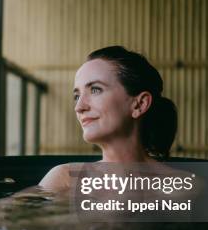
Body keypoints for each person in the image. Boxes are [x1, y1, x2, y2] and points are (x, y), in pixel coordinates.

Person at [39, 46, 178, 190]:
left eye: (95, 90)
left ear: (139, 104)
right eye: (76, 96)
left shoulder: (184, 189)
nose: (79, 107)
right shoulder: (65, 180)